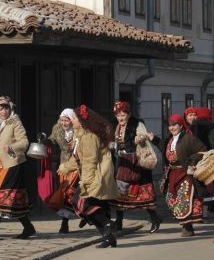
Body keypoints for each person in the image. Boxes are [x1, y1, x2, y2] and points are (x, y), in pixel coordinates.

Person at [0, 96, 36, 241]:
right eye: (1, 108)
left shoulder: (14, 122)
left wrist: (11, 147)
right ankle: (28, 227)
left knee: (2, 195)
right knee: (11, 198)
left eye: (6, 108)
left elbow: (24, 142)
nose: (4, 111)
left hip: (11, 163)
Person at [71, 105, 120, 248]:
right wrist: (66, 167)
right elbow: (78, 159)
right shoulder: (83, 135)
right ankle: (108, 237)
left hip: (95, 177)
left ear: (81, 120)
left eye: (74, 118)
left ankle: (107, 224)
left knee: (81, 203)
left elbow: (90, 161)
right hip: (98, 176)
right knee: (97, 206)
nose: (72, 120)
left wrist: (86, 181)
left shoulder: (88, 136)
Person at [111, 101, 162, 234]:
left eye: (123, 115)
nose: (120, 118)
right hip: (123, 163)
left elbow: (143, 135)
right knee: (120, 194)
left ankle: (155, 219)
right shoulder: (118, 127)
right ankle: (119, 222)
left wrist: (138, 138)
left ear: (128, 114)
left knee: (144, 195)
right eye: (118, 115)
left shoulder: (137, 123)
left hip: (137, 164)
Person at [162, 114, 206, 236]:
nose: (172, 128)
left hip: (185, 172)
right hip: (172, 173)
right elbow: (162, 148)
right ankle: (185, 224)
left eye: (174, 125)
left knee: (184, 197)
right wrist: (153, 139)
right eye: (170, 125)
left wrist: (191, 160)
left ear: (181, 125)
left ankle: (187, 227)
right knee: (170, 198)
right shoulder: (169, 139)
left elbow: (202, 149)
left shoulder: (189, 138)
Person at [49, 108, 79, 234]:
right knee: (65, 193)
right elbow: (52, 139)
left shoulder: (79, 130)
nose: (63, 123)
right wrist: (45, 141)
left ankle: (88, 216)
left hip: (77, 165)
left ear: (72, 120)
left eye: (66, 121)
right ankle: (64, 223)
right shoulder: (57, 129)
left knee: (72, 192)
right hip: (64, 165)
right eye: (62, 120)